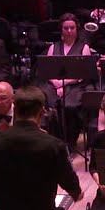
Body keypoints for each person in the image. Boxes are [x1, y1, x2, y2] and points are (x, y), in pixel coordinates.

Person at [41, 12, 93, 145]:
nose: (69, 31)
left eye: (72, 28)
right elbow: (48, 71)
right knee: (50, 104)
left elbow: (83, 74)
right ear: (61, 29)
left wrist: (63, 84)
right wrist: (56, 83)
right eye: (66, 28)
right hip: (54, 84)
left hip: (75, 85)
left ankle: (69, 142)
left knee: (69, 106)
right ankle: (54, 141)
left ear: (77, 29)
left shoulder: (84, 47)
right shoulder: (53, 47)